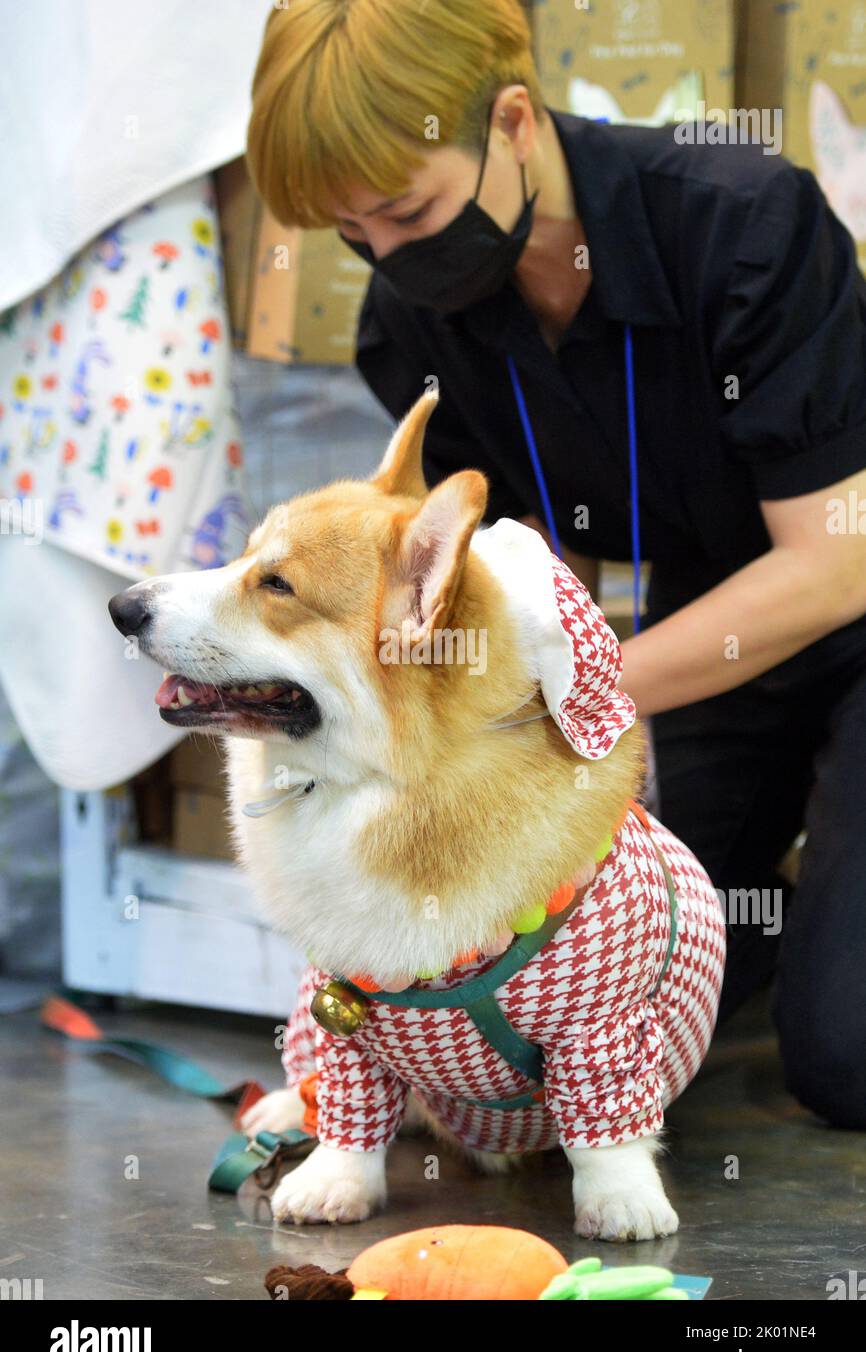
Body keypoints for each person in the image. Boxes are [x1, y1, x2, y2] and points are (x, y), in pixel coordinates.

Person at [245, 0, 866, 1129]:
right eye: (352, 233)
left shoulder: (739, 222)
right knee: (600, 952)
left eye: (405, 208)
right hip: (706, 630)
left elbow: (833, 567)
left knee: (846, 1061)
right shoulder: (413, 320)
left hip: (832, 596)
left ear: (513, 120)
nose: (389, 257)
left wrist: (561, 695)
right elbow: (527, 567)